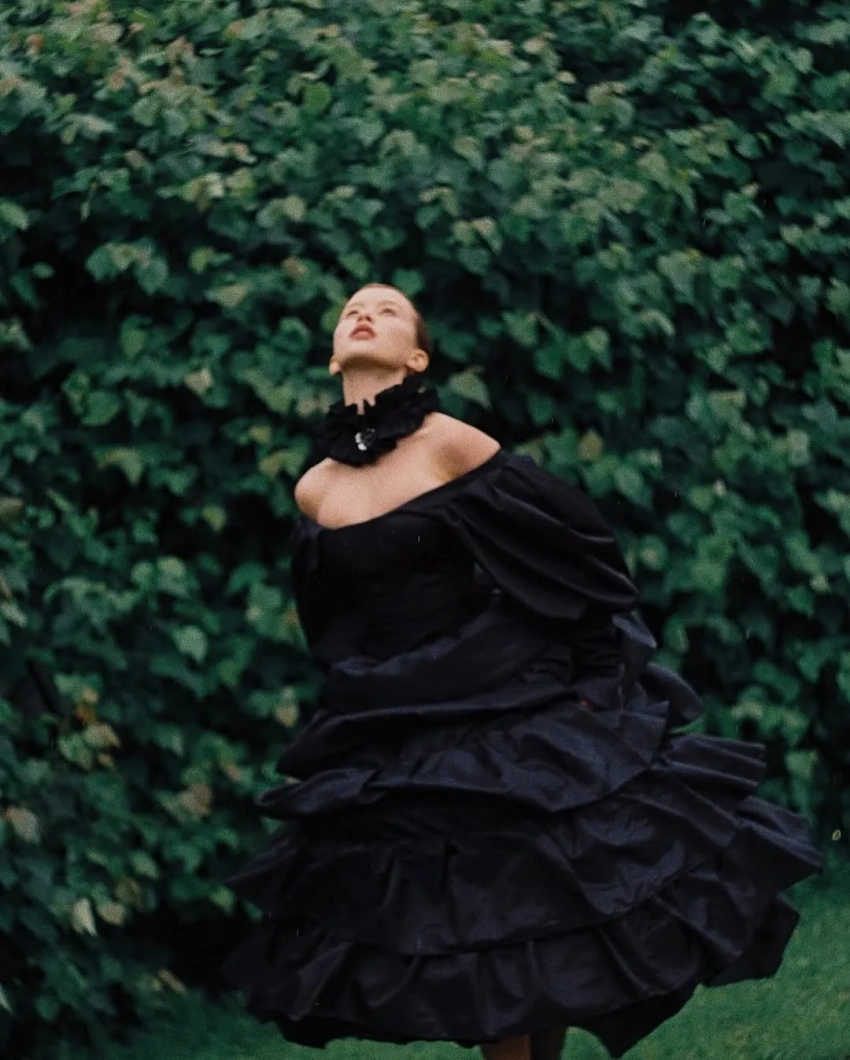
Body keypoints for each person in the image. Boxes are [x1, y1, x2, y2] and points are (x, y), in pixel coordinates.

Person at [221, 283, 823, 1060]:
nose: (364, 313)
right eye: (350, 311)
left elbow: (578, 548)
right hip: (396, 726)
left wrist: (596, 676)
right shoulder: (316, 489)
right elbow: (331, 626)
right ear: (335, 357)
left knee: (516, 912)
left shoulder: (446, 442)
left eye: (389, 309)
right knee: (485, 924)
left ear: (417, 358)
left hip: (502, 702)